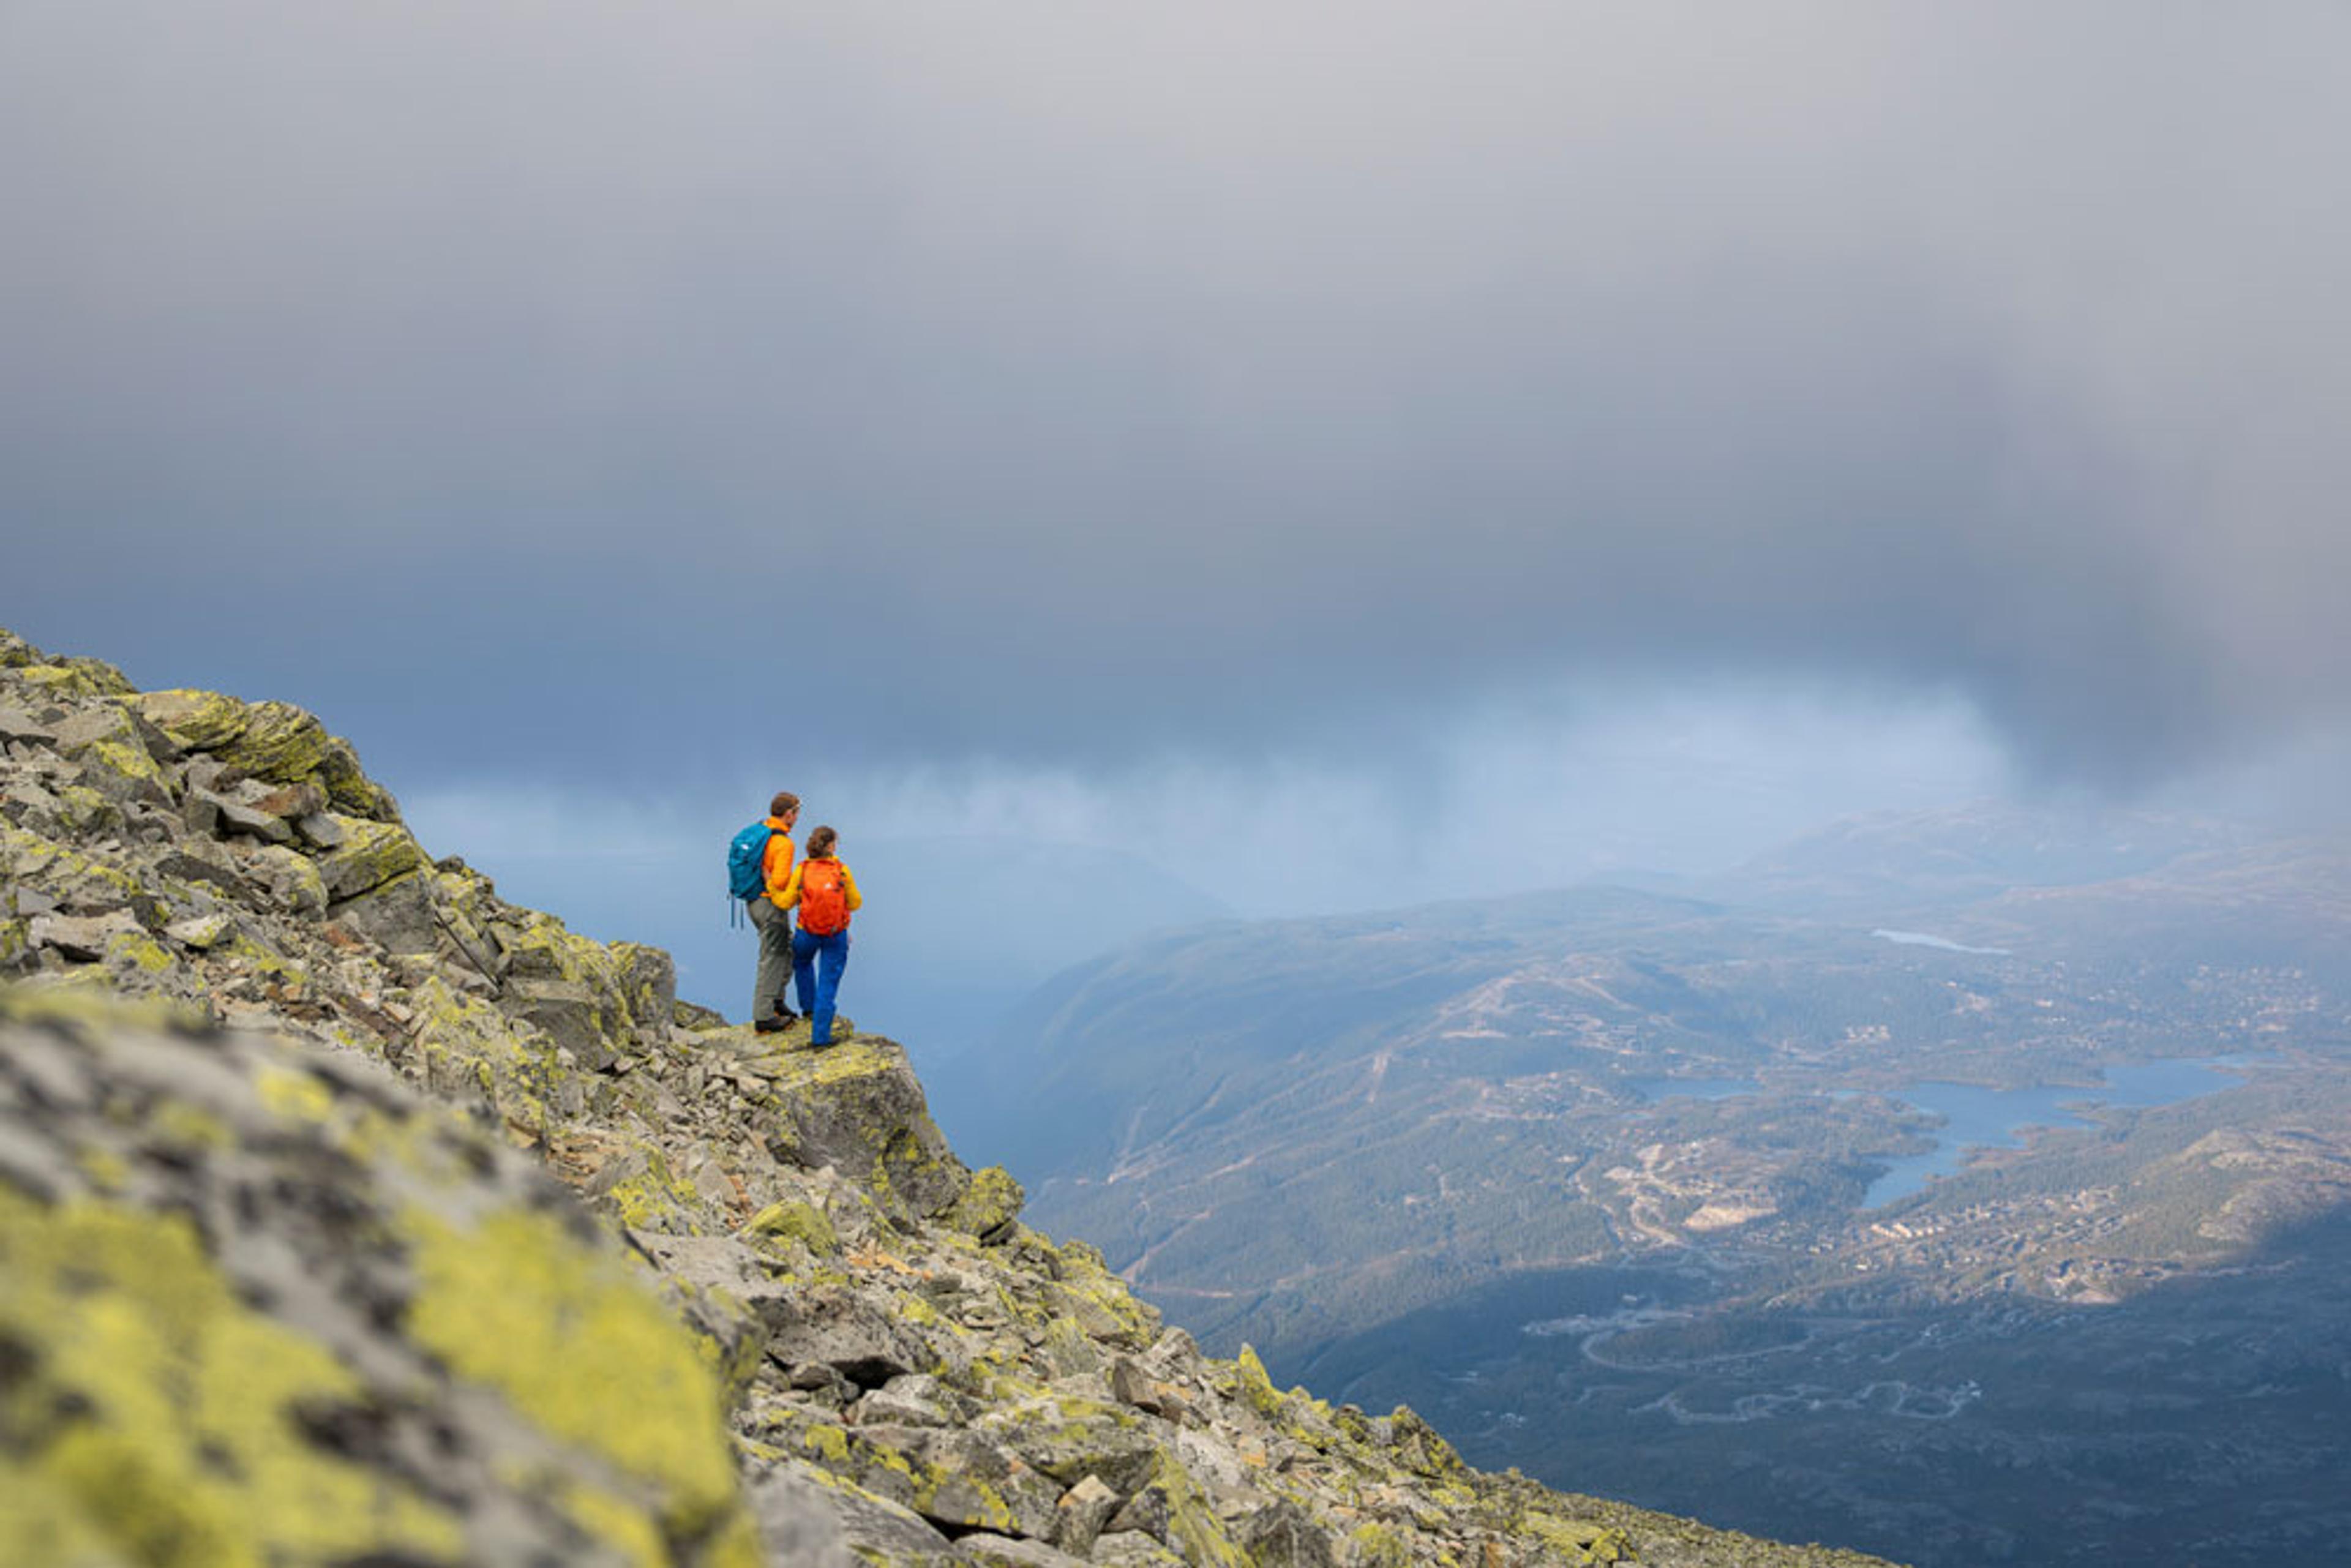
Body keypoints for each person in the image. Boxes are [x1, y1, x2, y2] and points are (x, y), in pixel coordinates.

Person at [779, 824, 861, 1048]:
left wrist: (770, 887)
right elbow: (855, 903)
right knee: (828, 984)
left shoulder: (803, 870)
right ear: (831, 846)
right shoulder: (842, 871)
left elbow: (786, 902)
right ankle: (820, 1038)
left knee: (802, 963)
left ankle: (808, 1008)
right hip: (836, 936)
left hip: (806, 932)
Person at [748, 792, 800, 1033]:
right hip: (771, 905)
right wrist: (797, 886)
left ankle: (777, 1002)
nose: (798, 817)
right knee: (773, 957)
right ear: (789, 814)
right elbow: (779, 882)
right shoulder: (784, 843)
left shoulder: (762, 830)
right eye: (797, 812)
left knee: (784, 950)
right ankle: (765, 1016)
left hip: (753, 902)